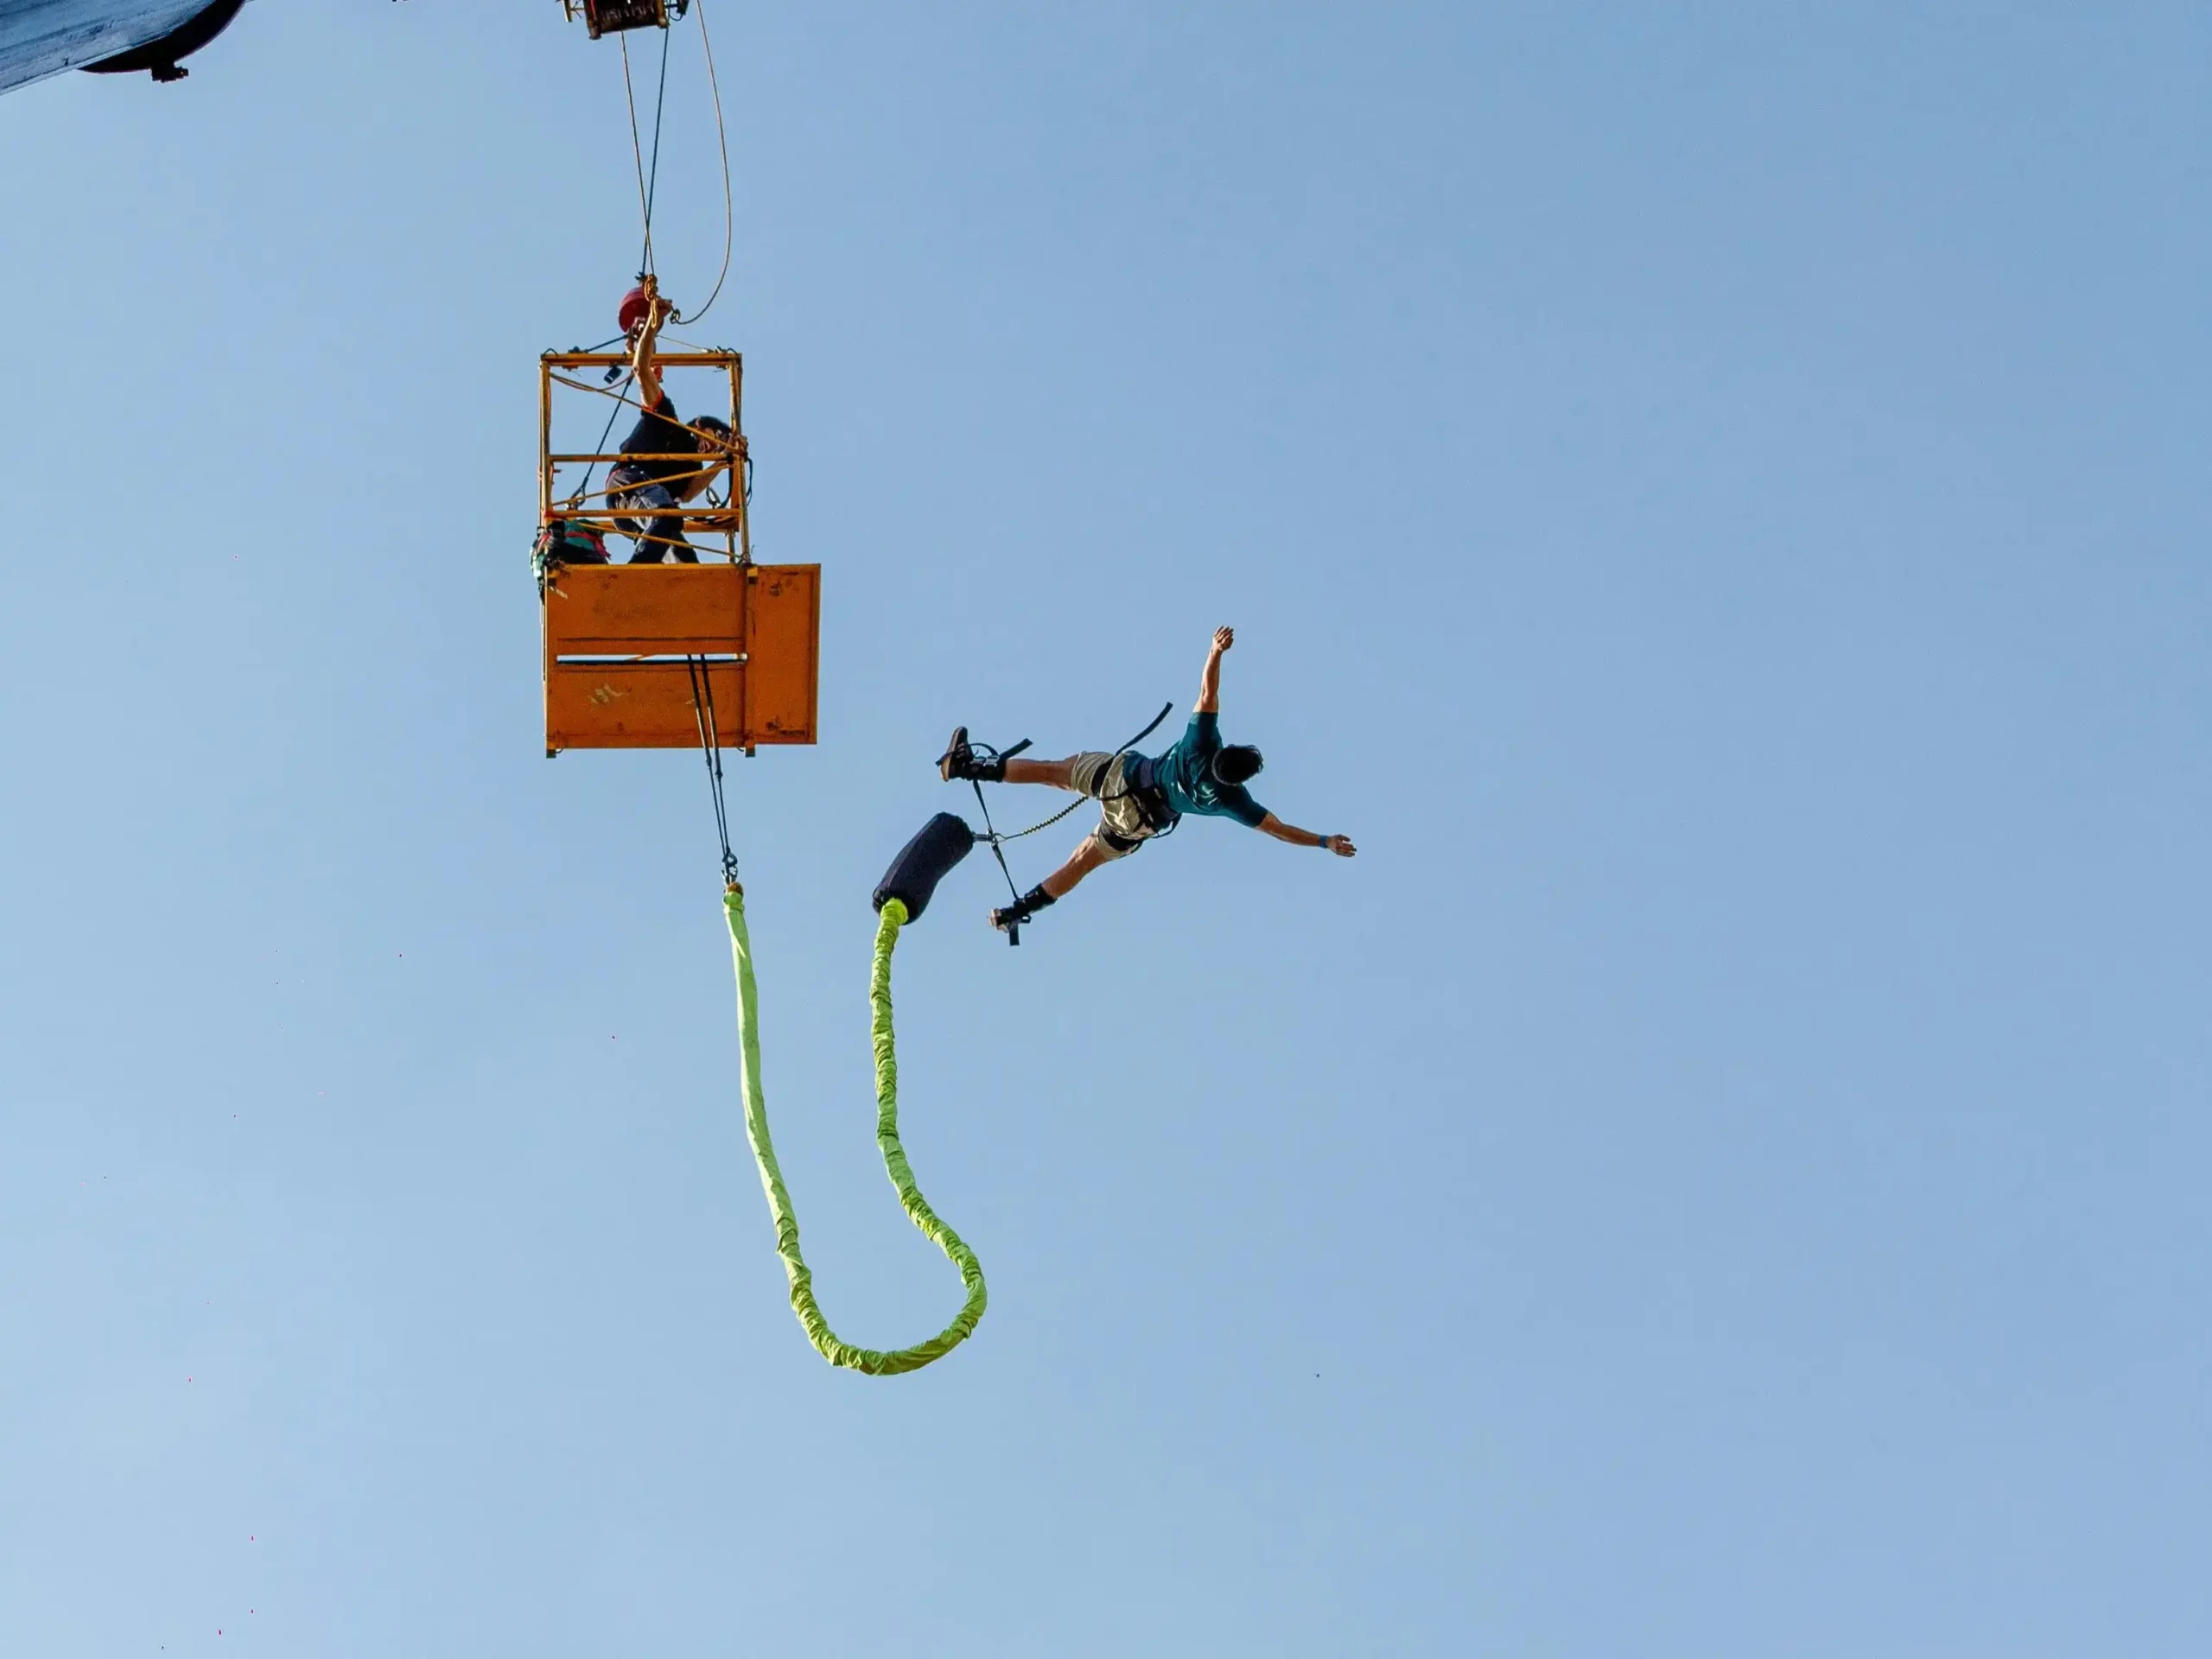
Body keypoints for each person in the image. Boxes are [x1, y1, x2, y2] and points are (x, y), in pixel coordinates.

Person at [938, 626, 1357, 934]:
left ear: (1226, 750)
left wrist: (1215, 652)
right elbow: (1278, 830)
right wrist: (1324, 841)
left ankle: (967, 767)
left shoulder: (1201, 743)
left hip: (1121, 780)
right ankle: (1017, 912)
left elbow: (1208, 694)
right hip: (1139, 823)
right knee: (1081, 863)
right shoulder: (1232, 801)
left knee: (1053, 773)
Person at [603, 276, 742, 564]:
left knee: (684, 557)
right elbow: (641, 369)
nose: (712, 445)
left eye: (717, 444)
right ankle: (634, 574)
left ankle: (674, 588)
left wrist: (726, 460)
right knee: (666, 516)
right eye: (713, 436)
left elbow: (688, 493)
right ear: (697, 426)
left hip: (645, 505)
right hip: (630, 483)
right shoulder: (666, 418)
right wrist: (652, 325)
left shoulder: (689, 466)